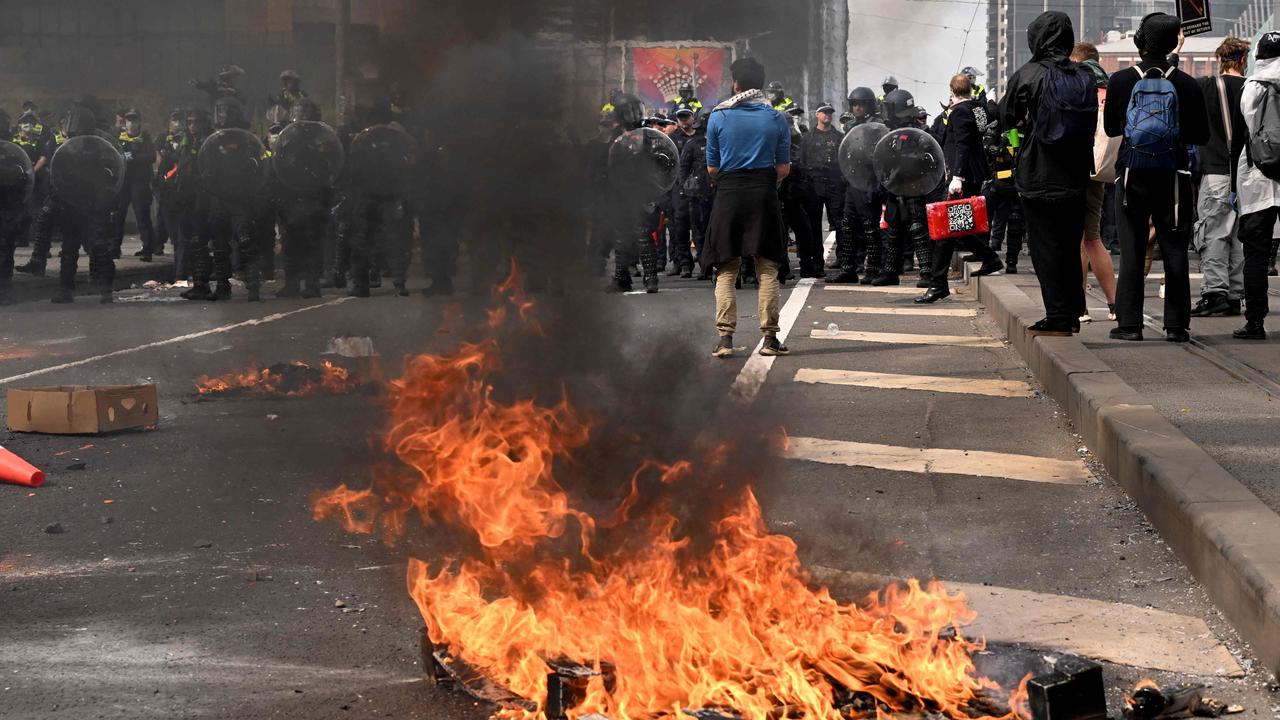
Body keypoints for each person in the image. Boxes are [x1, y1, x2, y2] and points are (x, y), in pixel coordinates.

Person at [1105, 12, 1209, 342]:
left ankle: (1129, 324)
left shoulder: (1121, 81)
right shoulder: (1187, 82)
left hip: (1132, 174)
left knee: (1132, 248)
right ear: (1172, 43)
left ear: (1139, 41)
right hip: (1174, 177)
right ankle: (1177, 326)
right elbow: (1201, 135)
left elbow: (1111, 129)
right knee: (1175, 247)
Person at [999, 11, 1097, 336]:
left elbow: (1007, 117)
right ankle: (1071, 313)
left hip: (1038, 173)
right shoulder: (1084, 75)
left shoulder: (1029, 73)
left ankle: (1056, 315)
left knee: (1044, 246)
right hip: (1076, 173)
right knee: (1070, 245)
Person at [704, 57, 792, 358]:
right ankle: (769, 339)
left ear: (736, 84)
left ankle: (725, 340)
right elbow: (784, 167)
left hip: (728, 195)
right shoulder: (776, 118)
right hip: (763, 194)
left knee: (727, 267)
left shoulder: (718, 117)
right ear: (762, 85)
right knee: (767, 267)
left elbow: (712, 168)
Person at [918, 74, 1003, 304]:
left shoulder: (959, 112)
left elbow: (963, 145)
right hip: (975, 173)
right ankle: (989, 258)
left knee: (947, 228)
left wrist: (957, 177)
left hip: (962, 176)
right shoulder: (979, 109)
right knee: (959, 225)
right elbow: (987, 124)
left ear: (953, 91)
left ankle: (938, 285)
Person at [1191, 37, 1250, 319]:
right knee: (1239, 236)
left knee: (1214, 234)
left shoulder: (1206, 87)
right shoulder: (1254, 87)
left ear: (1220, 59)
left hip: (1215, 172)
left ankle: (1215, 293)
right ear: (1243, 59)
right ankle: (1236, 294)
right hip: (1248, 175)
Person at [1231, 32, 1280, 340]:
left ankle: (1255, 321)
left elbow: (1245, 130)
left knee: (1257, 254)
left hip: (1259, 180)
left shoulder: (1254, 85)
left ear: (1259, 55)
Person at [1071, 42, 1118, 322]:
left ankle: (1080, 307)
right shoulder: (1110, 87)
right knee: (1094, 238)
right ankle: (1114, 304)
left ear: (1077, 60)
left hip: (1074, 166)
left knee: (1075, 241)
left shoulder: (1075, 82)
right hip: (1100, 170)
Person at [835, 87, 884, 284]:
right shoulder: (850, 127)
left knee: (869, 227)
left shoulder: (877, 127)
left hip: (868, 182)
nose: (856, 108)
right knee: (847, 225)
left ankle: (872, 269)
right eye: (854, 104)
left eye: (860, 105)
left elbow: (880, 155)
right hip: (851, 182)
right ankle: (848, 268)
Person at [798, 102, 844, 278]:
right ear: (817, 115)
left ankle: (844, 260)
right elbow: (801, 162)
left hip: (834, 184)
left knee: (840, 223)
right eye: (824, 112)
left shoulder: (839, 137)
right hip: (814, 185)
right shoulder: (808, 138)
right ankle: (817, 263)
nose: (827, 115)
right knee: (814, 226)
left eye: (829, 112)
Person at [112, 109, 157, 262]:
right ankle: (114, 248)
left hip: (140, 182)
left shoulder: (145, 138)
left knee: (142, 216)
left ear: (139, 123)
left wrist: (134, 157)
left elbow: (151, 156)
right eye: (129, 120)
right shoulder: (118, 137)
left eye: (134, 120)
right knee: (118, 216)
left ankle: (147, 249)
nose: (131, 124)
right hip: (123, 181)